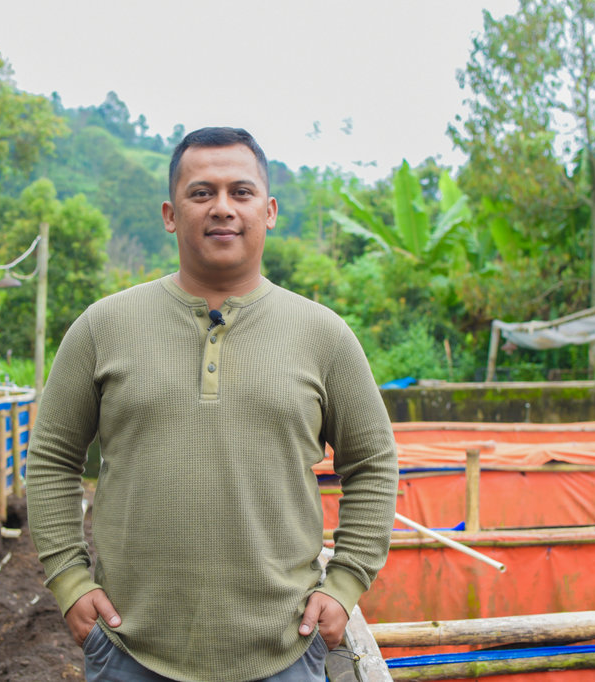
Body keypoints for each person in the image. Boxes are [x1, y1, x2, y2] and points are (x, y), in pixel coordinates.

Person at [27, 126, 398, 682]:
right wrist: (69, 579)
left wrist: (344, 584)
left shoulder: (323, 336)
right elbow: (51, 459)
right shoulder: (103, 328)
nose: (222, 207)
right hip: (130, 650)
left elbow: (373, 463)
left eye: (240, 192)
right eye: (201, 193)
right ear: (170, 214)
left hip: (284, 651)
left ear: (269, 211)